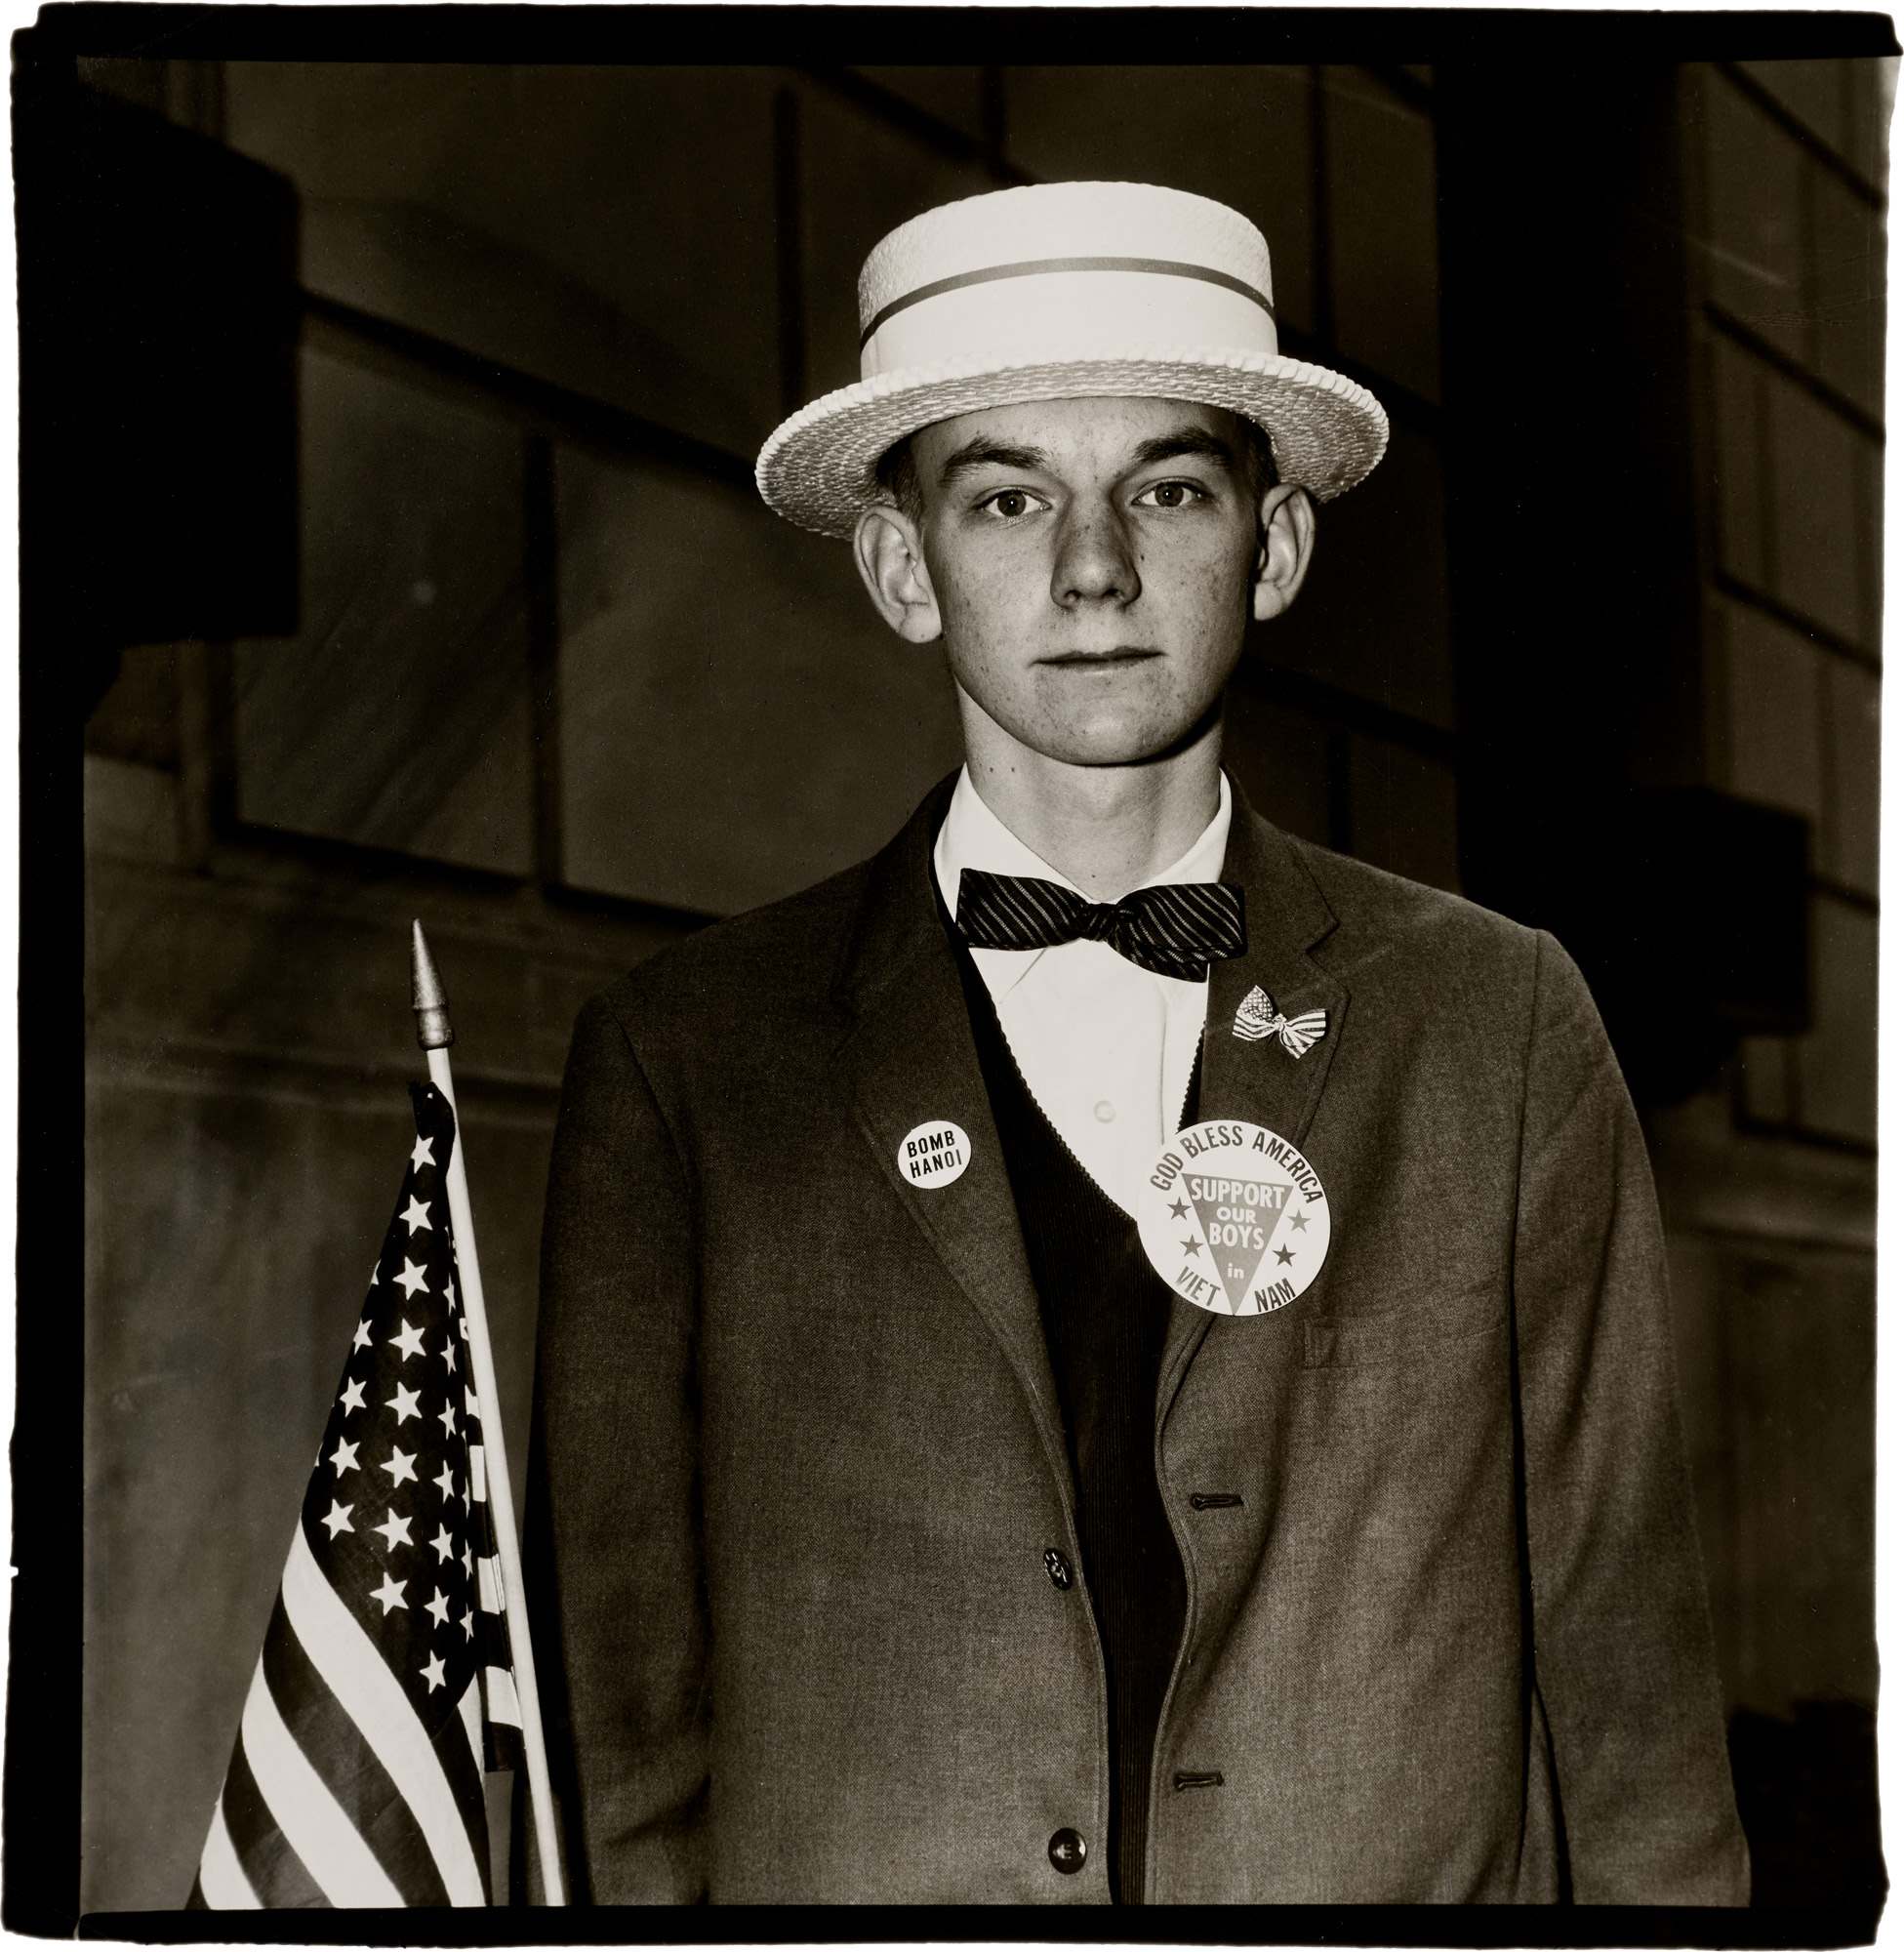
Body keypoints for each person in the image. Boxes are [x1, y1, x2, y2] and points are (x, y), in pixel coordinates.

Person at [524, 179, 1750, 1906]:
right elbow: (619, 1737)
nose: (1093, 568)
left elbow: (1630, 1705)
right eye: (1008, 495)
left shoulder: (1495, 1022)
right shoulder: (686, 1062)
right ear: (900, 564)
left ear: (1275, 543)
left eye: (1166, 488)